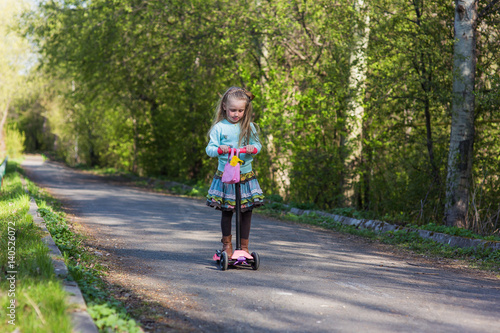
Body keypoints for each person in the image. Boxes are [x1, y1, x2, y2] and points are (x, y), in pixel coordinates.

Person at [206, 86, 264, 258]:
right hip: (227, 176)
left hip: (246, 176)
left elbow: (258, 146)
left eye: (240, 110)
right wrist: (219, 150)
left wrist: (253, 149)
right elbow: (209, 149)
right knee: (227, 210)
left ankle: (244, 248)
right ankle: (227, 246)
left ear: (245, 110)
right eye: (232, 110)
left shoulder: (250, 127)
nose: (236, 114)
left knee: (247, 211)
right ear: (224, 106)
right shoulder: (219, 128)